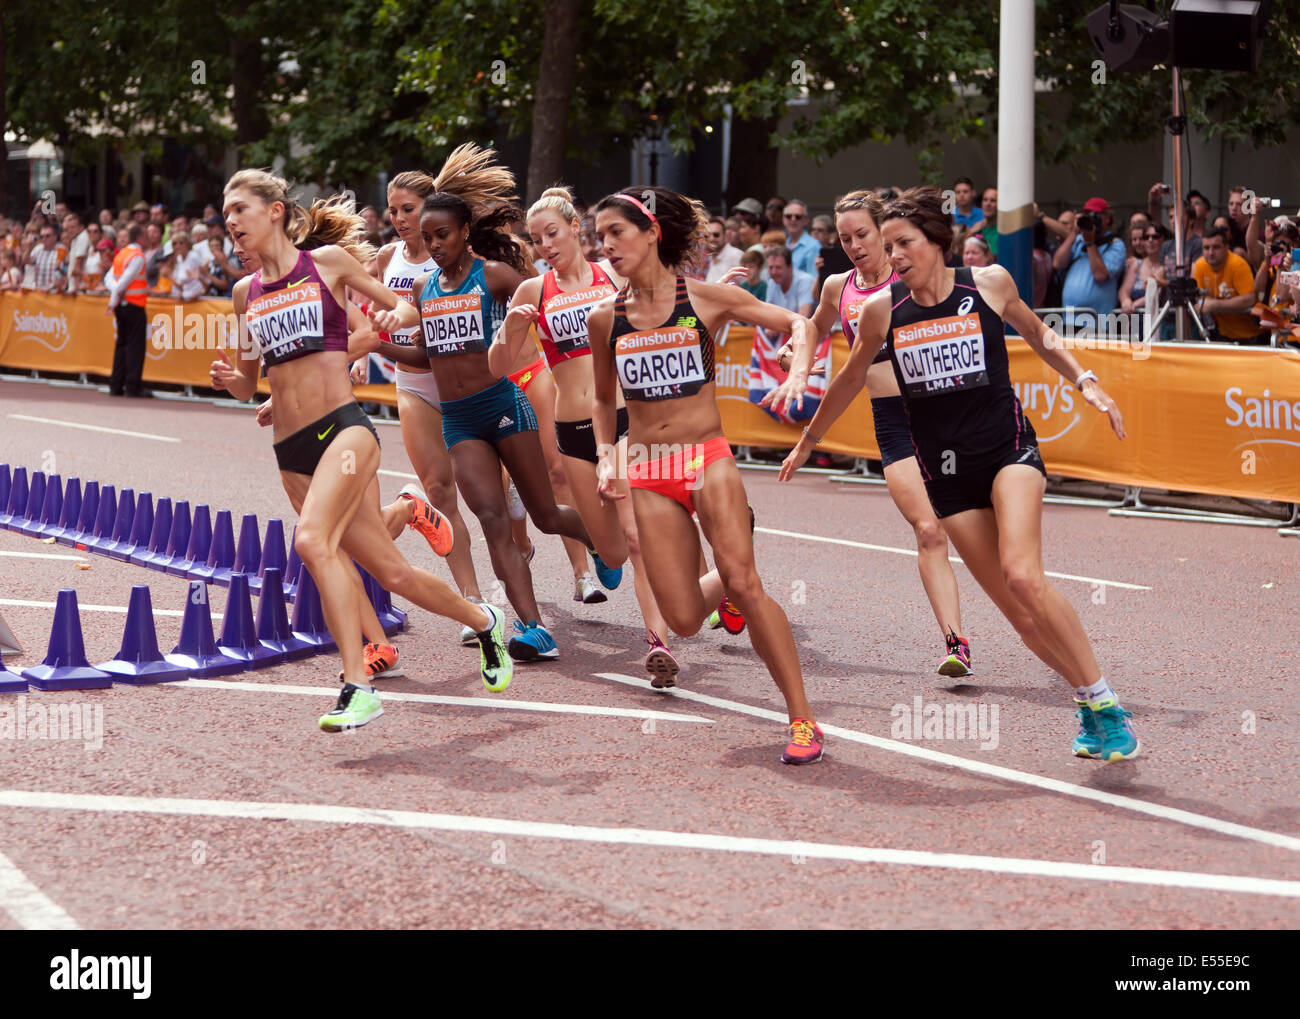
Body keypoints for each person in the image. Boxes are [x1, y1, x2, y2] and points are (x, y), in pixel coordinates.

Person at [780, 186, 1138, 763]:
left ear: (938, 242)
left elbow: (1038, 333)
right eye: (888, 245)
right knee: (1021, 620)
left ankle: (1105, 703)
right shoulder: (881, 311)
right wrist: (808, 439)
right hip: (943, 471)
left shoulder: (988, 283)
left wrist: (1085, 379)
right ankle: (1088, 704)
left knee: (1023, 575)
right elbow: (848, 380)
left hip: (1007, 451)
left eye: (904, 244)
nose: (893, 256)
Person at [210, 169, 512, 733]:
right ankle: (484, 618)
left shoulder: (326, 264)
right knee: (392, 573)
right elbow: (249, 382)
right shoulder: (243, 293)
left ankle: (358, 684)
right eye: (225, 214)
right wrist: (229, 377)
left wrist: (397, 314)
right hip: (291, 449)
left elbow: (410, 307)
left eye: (239, 210)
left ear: (275, 211)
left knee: (312, 541)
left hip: (344, 430)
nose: (230, 223)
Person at [587, 186, 825, 764]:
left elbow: (799, 322)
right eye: (600, 238)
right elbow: (601, 401)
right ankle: (728, 570)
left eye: (616, 233)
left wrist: (797, 369)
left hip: (706, 456)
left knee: (747, 583)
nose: (607, 246)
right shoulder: (604, 318)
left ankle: (802, 720)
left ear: (651, 235)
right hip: (647, 467)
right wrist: (603, 450)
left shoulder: (706, 299)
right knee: (685, 620)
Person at [368, 144, 599, 663]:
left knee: (543, 514)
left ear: (465, 231)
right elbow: (426, 357)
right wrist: (376, 344)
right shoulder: (427, 289)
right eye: (427, 238)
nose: (434, 245)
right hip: (459, 420)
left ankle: (599, 544)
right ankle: (534, 627)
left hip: (503, 405)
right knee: (493, 518)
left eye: (442, 235)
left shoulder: (495, 276)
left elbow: (547, 309)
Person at [774, 189, 971, 675]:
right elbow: (812, 330)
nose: (855, 245)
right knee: (928, 530)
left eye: (863, 234)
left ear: (883, 232)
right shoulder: (838, 286)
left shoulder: (913, 279)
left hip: (947, 417)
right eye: (845, 238)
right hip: (894, 423)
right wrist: (797, 360)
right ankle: (955, 642)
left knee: (977, 535)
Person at [496, 185, 688, 683]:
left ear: (576, 228)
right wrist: (511, 331)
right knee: (614, 546)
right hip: (570, 429)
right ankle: (600, 556)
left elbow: (663, 318)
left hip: (621, 419)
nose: (545, 246)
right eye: (537, 240)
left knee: (635, 535)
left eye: (553, 233)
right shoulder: (532, 291)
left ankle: (658, 643)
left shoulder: (612, 276)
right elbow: (498, 365)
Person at [370, 169, 489, 643]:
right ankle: (472, 602)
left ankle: (519, 540)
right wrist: (370, 342)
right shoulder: (387, 258)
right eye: (392, 210)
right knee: (441, 492)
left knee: (493, 499)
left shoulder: (461, 259)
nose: (399, 219)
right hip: (415, 383)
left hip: (467, 385)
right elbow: (382, 311)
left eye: (408, 209)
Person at [1054, 197, 1127, 332]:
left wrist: (1090, 243)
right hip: (1068, 321)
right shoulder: (1078, 241)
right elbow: (1057, 263)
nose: (1092, 219)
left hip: (1097, 324)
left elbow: (1100, 275)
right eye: (1087, 214)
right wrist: (1074, 232)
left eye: (1096, 215)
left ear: (1107, 218)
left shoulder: (1116, 244)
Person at [1193, 225, 1264, 343]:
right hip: (1223, 335)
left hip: (1252, 336)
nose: (1211, 252)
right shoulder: (1200, 265)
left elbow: (1250, 298)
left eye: (1216, 247)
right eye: (1206, 248)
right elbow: (1200, 299)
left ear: (1226, 247)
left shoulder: (1238, 264)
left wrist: (1216, 305)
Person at [104, 223, 150, 397]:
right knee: (134, 347)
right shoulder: (137, 256)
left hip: (121, 305)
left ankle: (116, 385)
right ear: (139, 237)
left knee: (121, 344)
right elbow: (124, 281)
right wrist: (115, 295)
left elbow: (109, 278)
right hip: (134, 304)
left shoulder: (121, 254)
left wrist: (115, 297)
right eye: (145, 235)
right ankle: (132, 386)